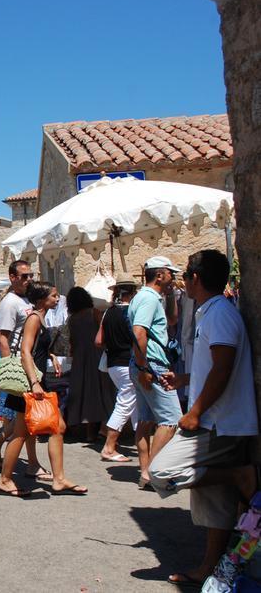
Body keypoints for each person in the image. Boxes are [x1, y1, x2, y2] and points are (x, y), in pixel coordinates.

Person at [147, 250, 258, 586]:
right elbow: (214, 366)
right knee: (215, 505)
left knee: (160, 472)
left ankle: (239, 474)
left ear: (195, 278)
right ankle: (209, 568)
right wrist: (185, 381)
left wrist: (194, 413)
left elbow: (223, 367)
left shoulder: (219, 313)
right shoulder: (211, 312)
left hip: (219, 422)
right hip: (214, 419)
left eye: (186, 275)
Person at [0, 281, 87, 497]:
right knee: (22, 432)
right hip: (30, 382)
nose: (57, 299)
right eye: (54, 296)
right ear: (41, 299)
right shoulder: (34, 318)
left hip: (35, 380)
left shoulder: (40, 318)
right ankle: (5, 479)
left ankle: (58, 479)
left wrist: (51, 355)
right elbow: (26, 352)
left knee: (55, 427)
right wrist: (35, 383)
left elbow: (37, 348)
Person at [0, 261, 50, 482]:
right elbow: (3, 337)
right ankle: (0, 449)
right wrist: (10, 367)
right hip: (19, 365)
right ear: (12, 277)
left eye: (30, 275)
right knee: (21, 418)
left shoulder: (23, 301)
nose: (28, 279)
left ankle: (30, 462)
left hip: (28, 363)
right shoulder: (10, 303)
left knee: (24, 418)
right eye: (24, 276)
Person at [129, 256, 183, 489]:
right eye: (171, 273)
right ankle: (152, 473)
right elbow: (139, 332)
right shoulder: (149, 299)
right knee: (171, 420)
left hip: (143, 363)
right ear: (160, 274)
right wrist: (144, 367)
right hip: (151, 364)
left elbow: (172, 320)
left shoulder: (147, 297)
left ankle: (145, 472)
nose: (174, 278)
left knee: (145, 419)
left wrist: (170, 295)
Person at [95, 276, 141, 464]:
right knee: (125, 403)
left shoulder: (108, 313)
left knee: (136, 404)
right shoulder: (133, 312)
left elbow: (98, 341)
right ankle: (109, 446)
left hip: (113, 363)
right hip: (128, 362)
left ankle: (143, 444)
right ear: (132, 292)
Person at [64, 287, 116, 442]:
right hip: (97, 355)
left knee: (85, 394)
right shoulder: (94, 312)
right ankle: (103, 429)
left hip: (80, 358)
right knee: (102, 392)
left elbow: (72, 341)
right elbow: (103, 332)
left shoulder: (72, 319)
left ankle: (88, 432)